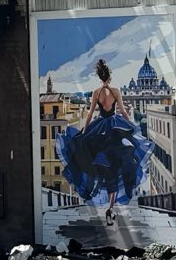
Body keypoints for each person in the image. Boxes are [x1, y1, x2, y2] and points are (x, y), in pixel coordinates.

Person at [56, 58, 154, 225]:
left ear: (101, 77)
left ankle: (104, 200)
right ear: (110, 77)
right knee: (116, 168)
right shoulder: (116, 91)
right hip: (115, 129)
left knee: (101, 165)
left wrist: (86, 130)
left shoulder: (96, 92)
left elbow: (89, 114)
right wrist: (131, 126)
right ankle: (111, 207)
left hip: (100, 129)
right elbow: (122, 111)